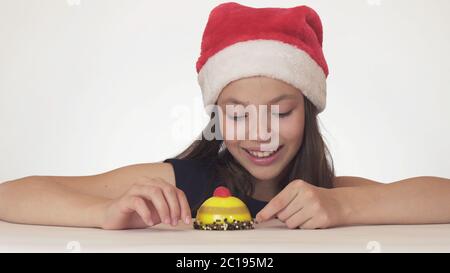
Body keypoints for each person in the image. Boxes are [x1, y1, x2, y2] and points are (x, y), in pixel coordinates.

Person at [0, 2, 449, 230]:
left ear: (308, 113)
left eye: (280, 111)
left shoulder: (327, 196)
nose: (259, 134)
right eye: (237, 116)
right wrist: (104, 213)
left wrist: (343, 206)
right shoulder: (183, 184)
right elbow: (10, 196)